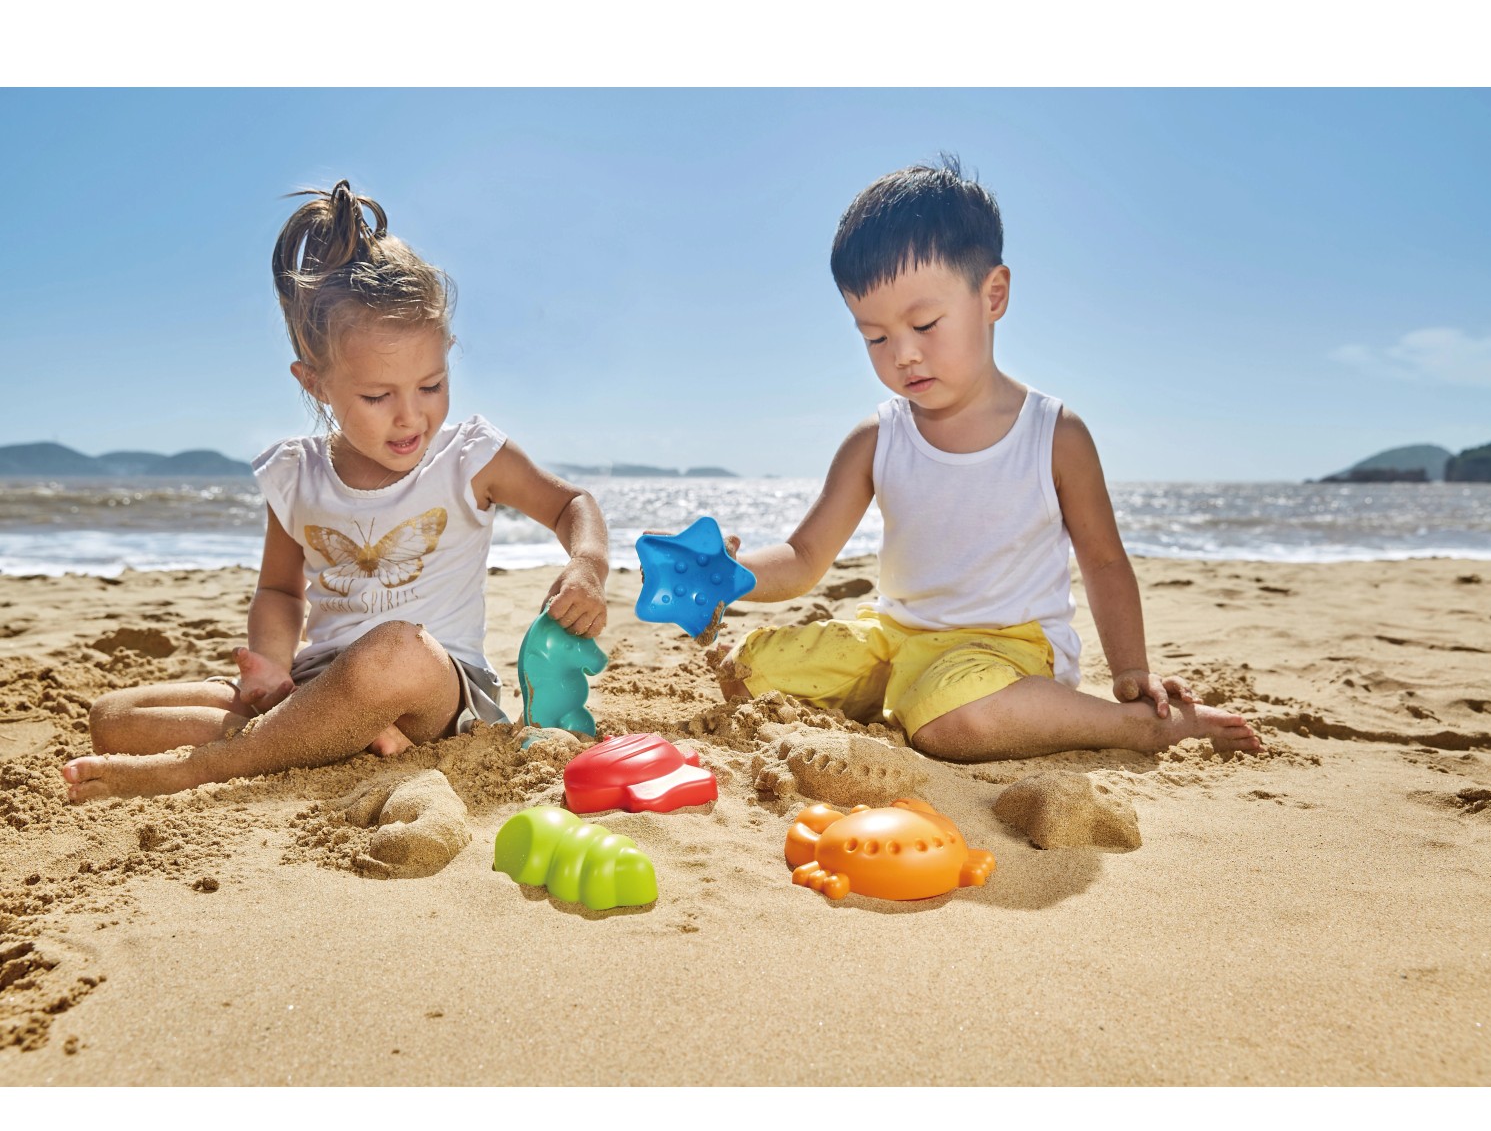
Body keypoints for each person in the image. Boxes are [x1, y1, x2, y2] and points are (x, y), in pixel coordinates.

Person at [62, 180, 609, 803]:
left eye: (430, 385)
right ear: (316, 383)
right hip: (317, 683)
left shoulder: (471, 457)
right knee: (113, 718)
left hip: (433, 685)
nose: (411, 417)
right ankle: (314, 733)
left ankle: (210, 768)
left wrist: (586, 564)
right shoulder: (297, 475)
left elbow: (571, 505)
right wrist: (271, 665)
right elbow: (277, 588)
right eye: (377, 397)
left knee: (394, 648)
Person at [713, 157, 1262, 761]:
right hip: (894, 638)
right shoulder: (876, 438)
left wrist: (1131, 669)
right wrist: (730, 575)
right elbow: (805, 557)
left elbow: (1103, 561)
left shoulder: (1053, 434)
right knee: (749, 670)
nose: (903, 355)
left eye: (924, 323)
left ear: (992, 294)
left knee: (955, 725)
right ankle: (907, 699)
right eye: (874, 336)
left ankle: (1133, 726)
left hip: (1004, 653)